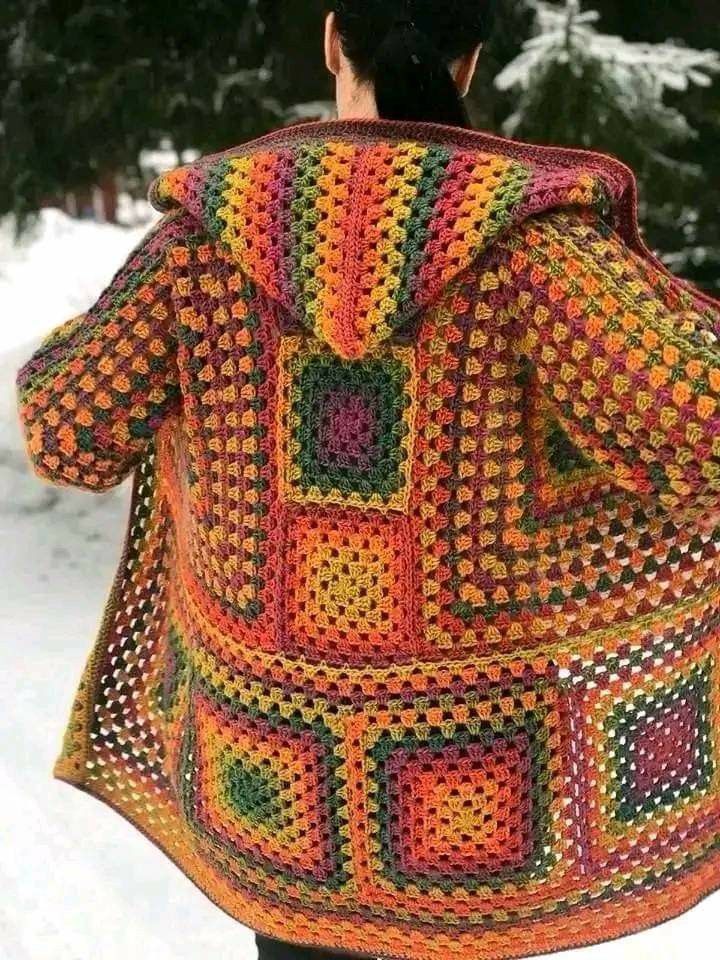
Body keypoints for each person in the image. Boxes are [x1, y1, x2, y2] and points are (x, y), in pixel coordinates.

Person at [16, 3, 720, 960]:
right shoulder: (535, 245)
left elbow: (68, 434)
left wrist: (85, 353)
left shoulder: (205, 239)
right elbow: (699, 431)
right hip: (480, 791)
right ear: (471, 62)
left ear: (331, 37)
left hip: (276, 788)